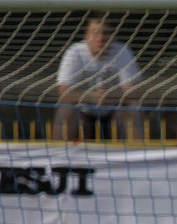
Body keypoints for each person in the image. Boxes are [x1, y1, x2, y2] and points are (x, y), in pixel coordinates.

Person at [53, 13, 143, 141]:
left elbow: (135, 90)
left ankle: (135, 156)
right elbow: (63, 92)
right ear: (86, 36)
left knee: (132, 107)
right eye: (95, 33)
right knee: (65, 108)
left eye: (105, 33)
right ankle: (60, 157)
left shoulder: (122, 51)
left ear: (112, 37)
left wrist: (110, 94)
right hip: (83, 113)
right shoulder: (75, 53)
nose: (100, 38)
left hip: (114, 113)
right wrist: (91, 96)